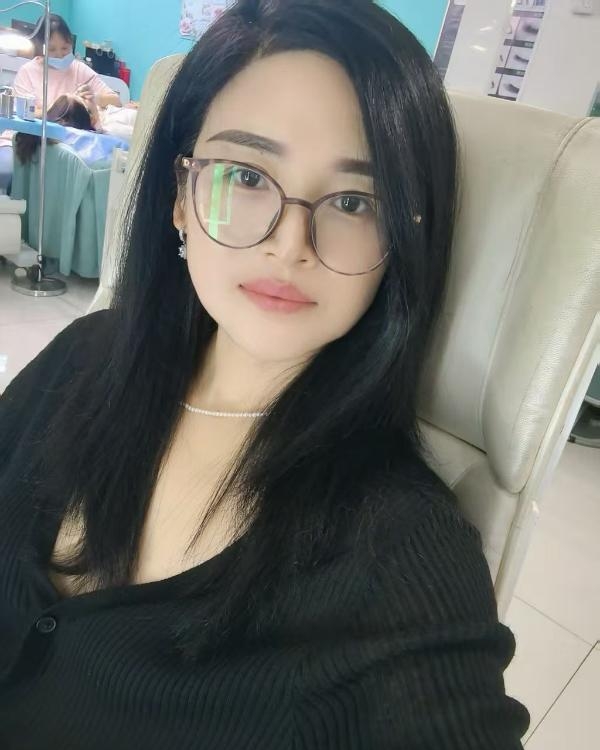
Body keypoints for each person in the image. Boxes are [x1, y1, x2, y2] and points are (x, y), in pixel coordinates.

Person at [0, 1, 531, 748]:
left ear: (406, 238)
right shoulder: (84, 355)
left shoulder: (403, 556)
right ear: (180, 196)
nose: (290, 243)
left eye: (354, 201)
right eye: (247, 175)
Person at [12, 13, 121, 120]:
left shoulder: (79, 70)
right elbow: (23, 112)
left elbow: (116, 101)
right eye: (52, 49)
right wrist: (61, 107)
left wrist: (95, 98)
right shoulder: (27, 72)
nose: (59, 55)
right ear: (41, 47)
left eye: (65, 48)